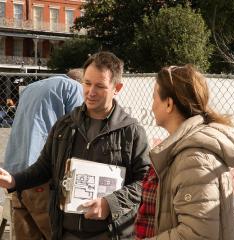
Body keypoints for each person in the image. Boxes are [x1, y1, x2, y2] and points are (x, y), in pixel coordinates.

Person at [0, 51, 150, 240]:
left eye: (100, 86)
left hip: (111, 234)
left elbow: (145, 182)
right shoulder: (64, 125)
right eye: (87, 83)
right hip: (65, 233)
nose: (91, 92)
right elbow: (44, 167)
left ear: (117, 88)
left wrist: (110, 204)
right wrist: (14, 181)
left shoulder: (132, 131)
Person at [135, 64, 234, 240]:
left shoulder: (194, 159)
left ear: (168, 104)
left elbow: (197, 235)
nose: (152, 106)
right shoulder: (182, 150)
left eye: (154, 98)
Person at [4, 69, 84, 240]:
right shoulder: (74, 88)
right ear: (83, 82)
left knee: (25, 234)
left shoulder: (32, 87)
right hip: (40, 174)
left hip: (16, 173)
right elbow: (80, 129)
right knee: (55, 232)